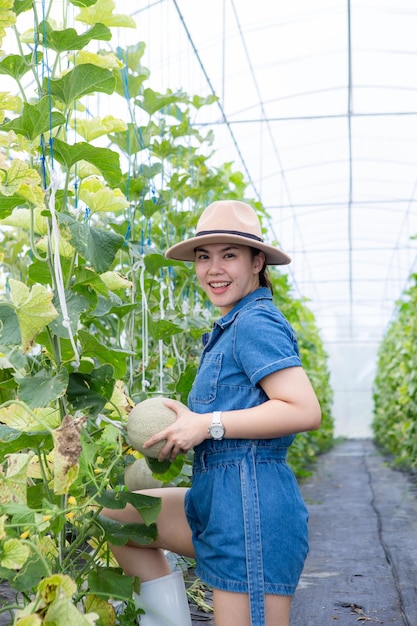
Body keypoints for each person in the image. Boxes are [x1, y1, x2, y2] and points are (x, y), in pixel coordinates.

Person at [102, 200, 321, 626]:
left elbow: (303, 409)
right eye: (204, 256)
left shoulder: (255, 322)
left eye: (229, 255)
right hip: (217, 498)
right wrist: (187, 426)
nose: (213, 269)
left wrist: (208, 423)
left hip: (252, 507)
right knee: (120, 516)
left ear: (257, 262)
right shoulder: (229, 326)